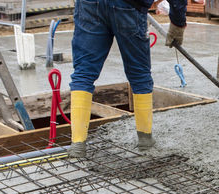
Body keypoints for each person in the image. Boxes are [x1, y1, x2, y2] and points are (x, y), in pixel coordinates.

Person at [69, 0, 187, 158]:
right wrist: (178, 23)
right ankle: (145, 139)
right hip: (128, 6)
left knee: (84, 72)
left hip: (90, 5)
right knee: (139, 73)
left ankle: (78, 145)